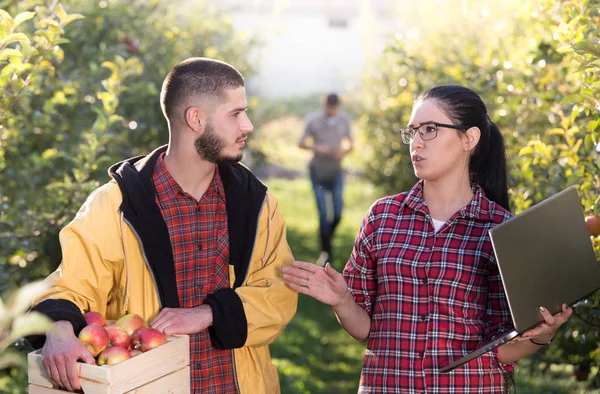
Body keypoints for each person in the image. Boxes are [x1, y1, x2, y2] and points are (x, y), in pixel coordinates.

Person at [28, 57, 298, 394]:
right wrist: (59, 330)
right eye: (235, 114)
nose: (248, 126)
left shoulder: (256, 204)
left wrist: (209, 313)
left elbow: (278, 292)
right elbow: (69, 285)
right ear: (196, 118)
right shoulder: (115, 206)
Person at [283, 85, 572, 393]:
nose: (415, 143)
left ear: (468, 139)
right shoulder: (383, 218)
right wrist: (342, 301)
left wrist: (544, 334)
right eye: (412, 132)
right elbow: (368, 330)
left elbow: (500, 351)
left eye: (430, 130)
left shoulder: (501, 229)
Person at [298, 93, 353, 265]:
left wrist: (342, 151)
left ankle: (325, 235)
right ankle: (326, 252)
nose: (332, 111)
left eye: (335, 108)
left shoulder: (344, 121)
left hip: (336, 171)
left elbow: (351, 145)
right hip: (317, 172)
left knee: (337, 213)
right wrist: (317, 147)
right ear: (324, 105)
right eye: (330, 108)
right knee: (323, 214)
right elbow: (301, 142)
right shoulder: (313, 121)